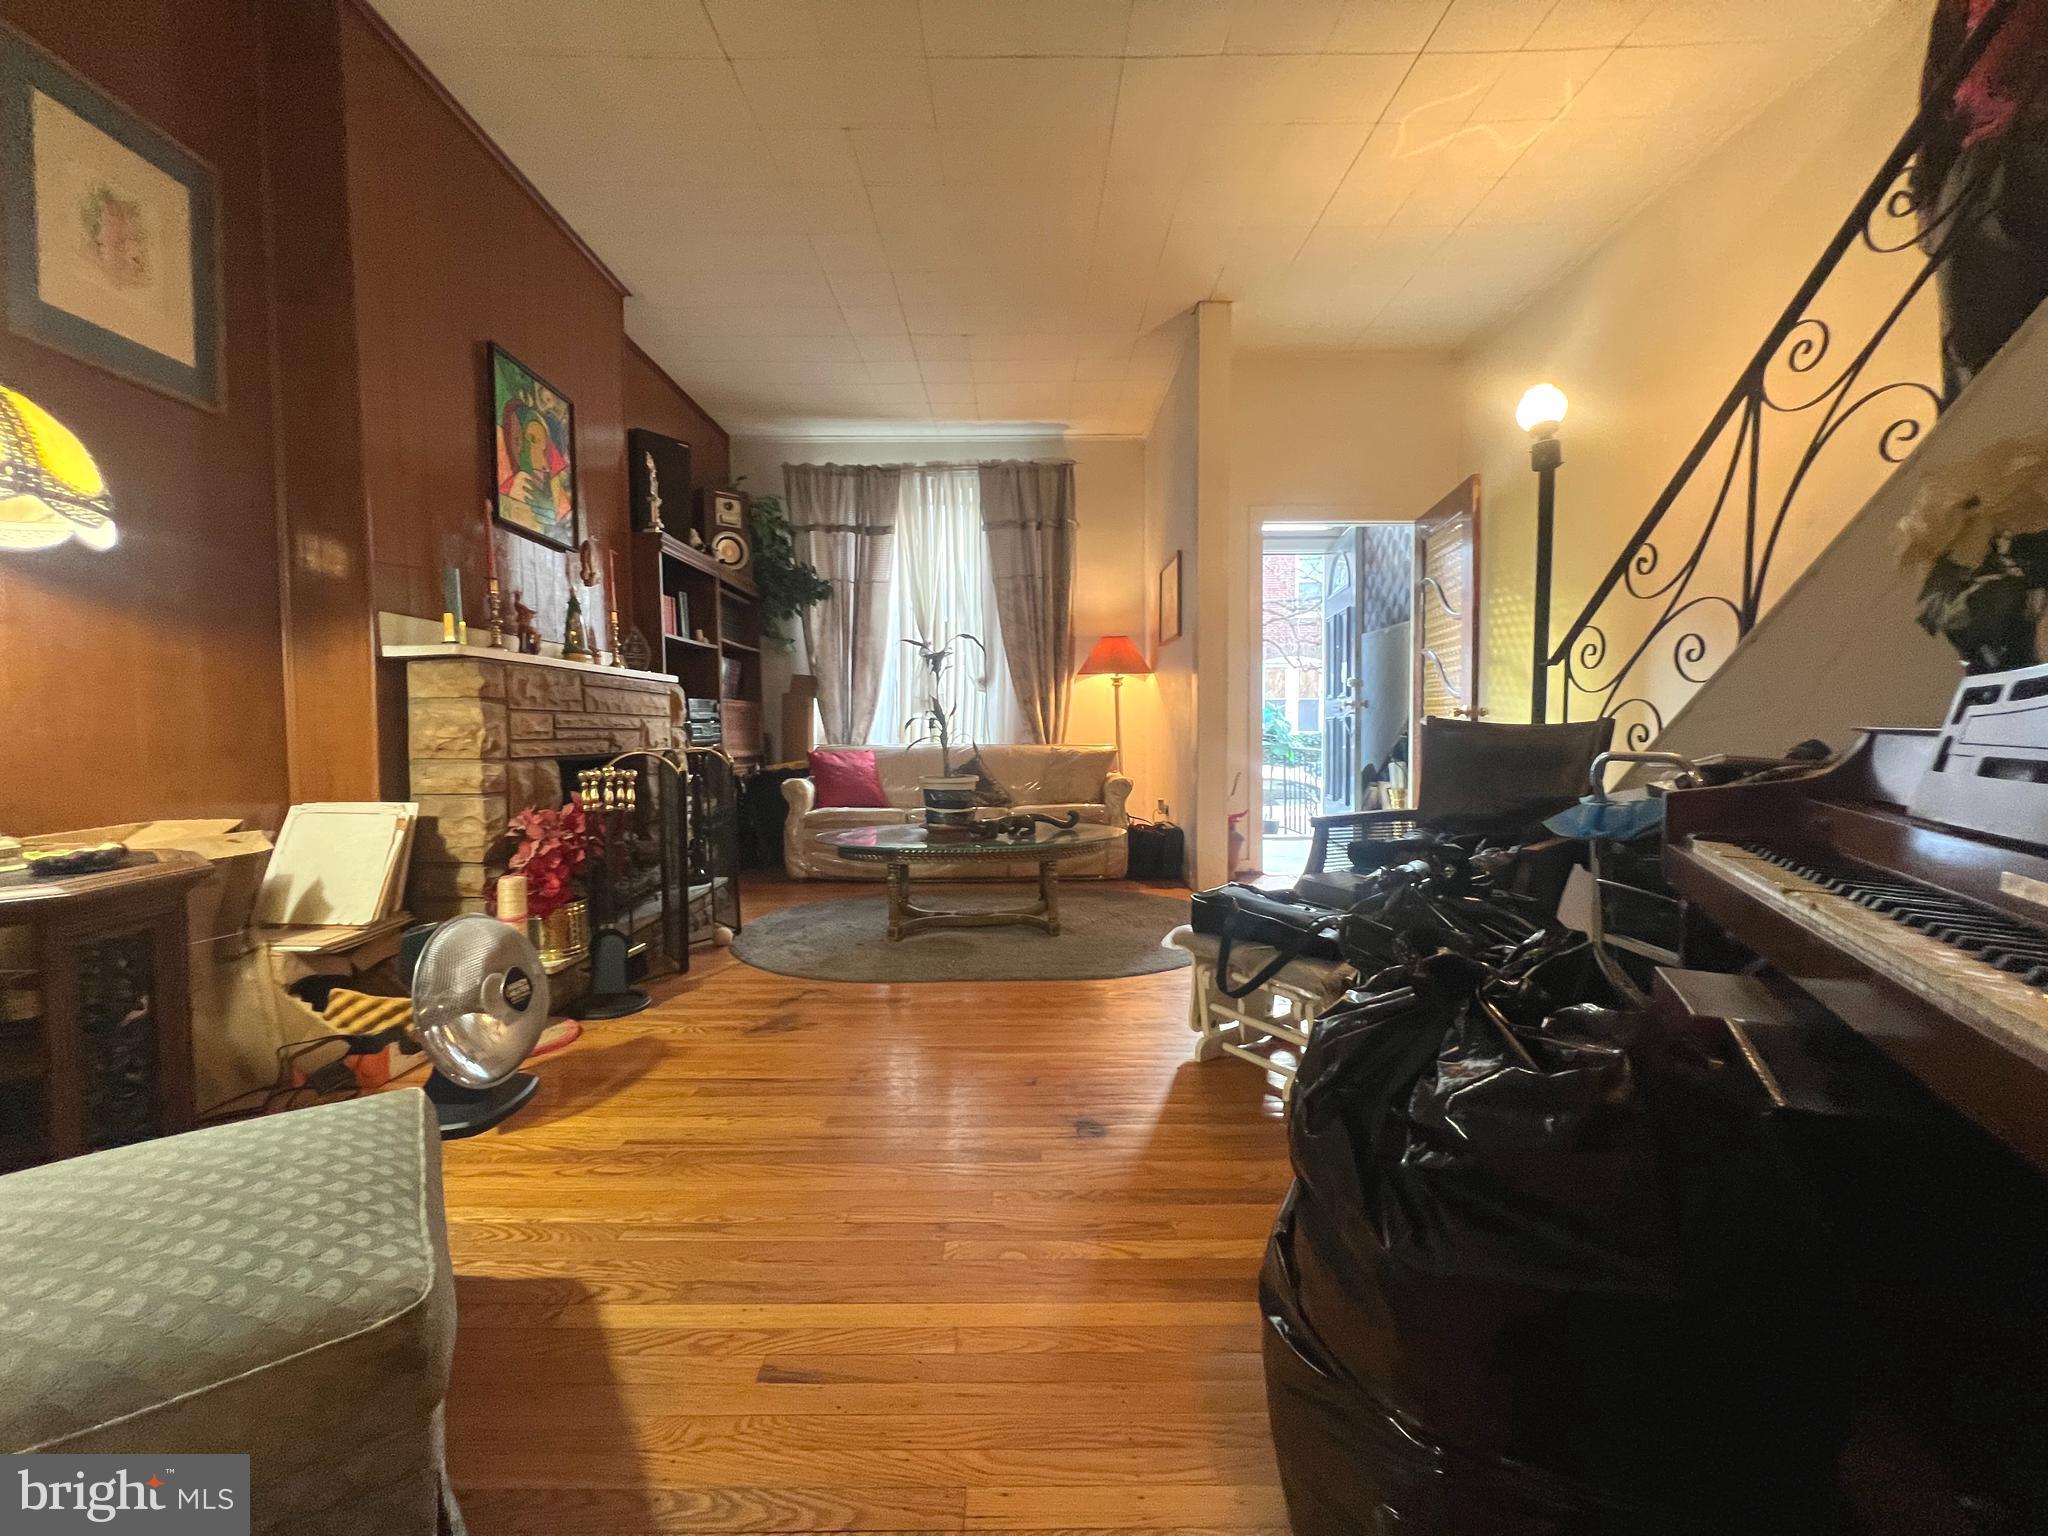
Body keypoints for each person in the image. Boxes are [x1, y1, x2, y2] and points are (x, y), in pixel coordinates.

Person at [1914, 0, 2048, 395]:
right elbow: (1936, 104)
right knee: (1978, 344)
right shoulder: (1955, 11)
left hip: (2016, 160)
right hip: (1980, 177)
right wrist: (1928, 195)